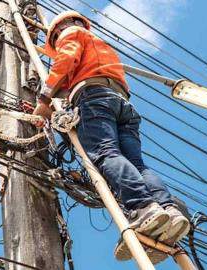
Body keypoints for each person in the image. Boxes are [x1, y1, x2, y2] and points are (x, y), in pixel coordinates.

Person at [33, 10, 190, 263]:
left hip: (95, 100)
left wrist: (43, 98)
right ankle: (167, 209)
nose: (57, 42)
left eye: (54, 40)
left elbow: (66, 60)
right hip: (121, 102)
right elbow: (77, 77)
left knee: (106, 153)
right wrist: (55, 101)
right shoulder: (99, 46)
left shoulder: (71, 33)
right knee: (138, 165)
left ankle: (142, 207)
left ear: (59, 29)